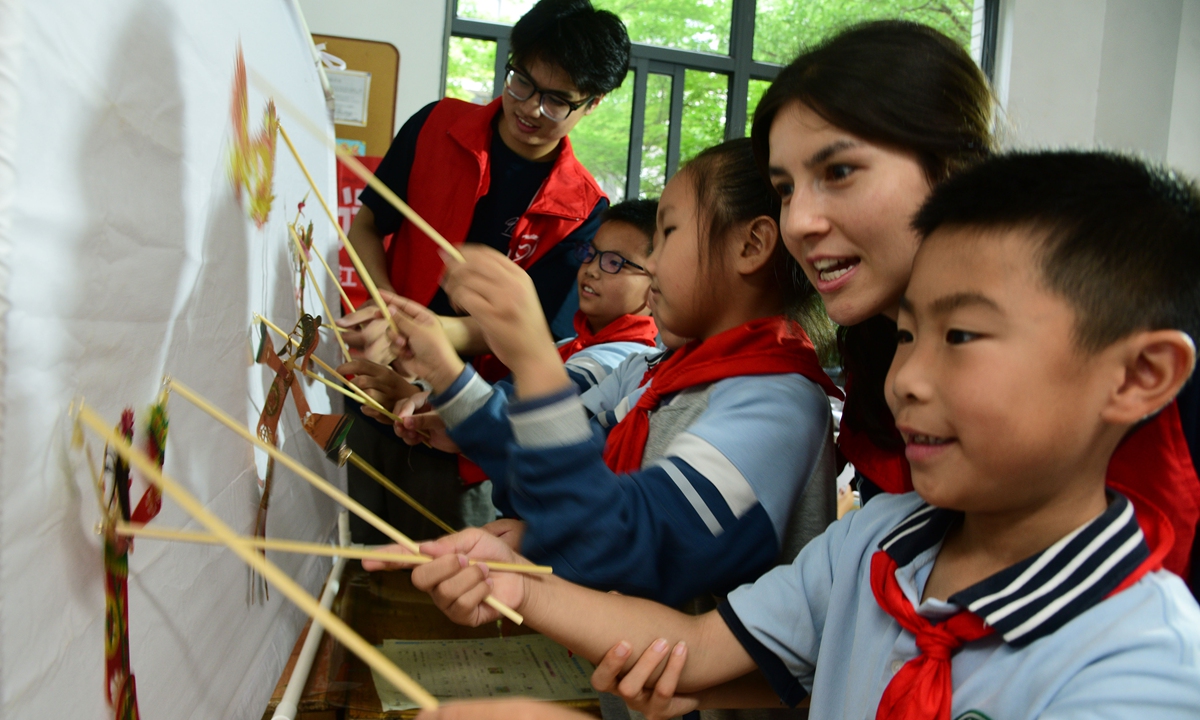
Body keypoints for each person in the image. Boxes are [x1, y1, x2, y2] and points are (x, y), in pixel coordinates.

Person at [391, 150, 1200, 720]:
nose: (904, 381)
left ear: (1137, 377)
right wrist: (512, 580)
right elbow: (698, 650)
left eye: (961, 337)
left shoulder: (1142, 667)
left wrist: (526, 360)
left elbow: (630, 538)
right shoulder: (885, 541)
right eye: (909, 335)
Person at [751, 19, 1200, 588]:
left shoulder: (1130, 355)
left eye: (839, 172)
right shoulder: (875, 366)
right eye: (785, 188)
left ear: (954, 168)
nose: (799, 222)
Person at [381, 139, 843, 606]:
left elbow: (629, 546)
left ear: (751, 244)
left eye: (669, 231)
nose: (654, 262)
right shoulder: (655, 375)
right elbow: (550, 461)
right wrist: (446, 375)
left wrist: (534, 357)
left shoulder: (778, 403)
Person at [332, 0, 632, 540]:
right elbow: (367, 226)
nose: (531, 108)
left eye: (558, 100)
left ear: (594, 104)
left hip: (461, 426)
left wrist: (416, 336)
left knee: (438, 576)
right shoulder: (436, 125)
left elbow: (530, 330)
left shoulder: (583, 208)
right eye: (521, 82)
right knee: (342, 548)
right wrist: (385, 306)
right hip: (373, 384)